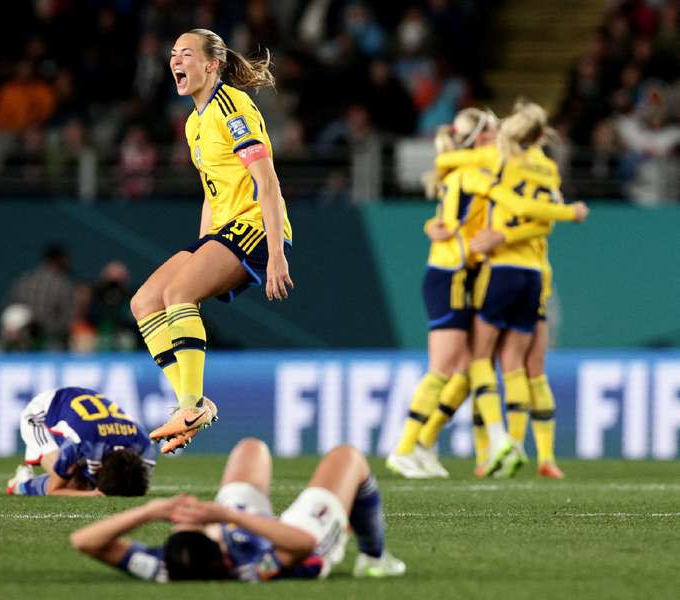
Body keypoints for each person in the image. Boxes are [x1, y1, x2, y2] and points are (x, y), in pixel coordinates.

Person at [130, 29, 293, 454]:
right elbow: (211, 189)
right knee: (145, 302)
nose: (175, 61)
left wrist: (277, 254)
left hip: (256, 226)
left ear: (211, 64)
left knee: (179, 293)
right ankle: (193, 402)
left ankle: (189, 405)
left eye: (186, 53)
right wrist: (204, 250)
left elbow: (268, 181)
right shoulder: (193, 121)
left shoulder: (232, 106)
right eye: (172, 53)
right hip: (223, 230)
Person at [69, 438, 405, 581]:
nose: (183, 520)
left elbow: (84, 541)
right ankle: (375, 559)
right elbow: (301, 543)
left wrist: (149, 511)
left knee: (250, 449)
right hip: (291, 540)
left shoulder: (164, 567)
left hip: (238, 526)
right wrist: (228, 516)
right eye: (190, 524)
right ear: (223, 554)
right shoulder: (254, 566)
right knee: (347, 458)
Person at [466, 101, 589, 478]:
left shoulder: (502, 160)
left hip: (502, 267)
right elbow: (545, 223)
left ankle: (493, 449)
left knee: (481, 359)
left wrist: (501, 235)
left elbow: (452, 167)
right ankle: (536, 453)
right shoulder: (548, 169)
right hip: (537, 273)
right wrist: (568, 212)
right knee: (525, 366)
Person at [386, 108, 499, 480]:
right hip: (449, 276)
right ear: (478, 138)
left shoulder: (464, 171)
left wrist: (433, 225)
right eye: (493, 131)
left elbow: (445, 221)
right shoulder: (472, 173)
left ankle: (425, 441)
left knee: (466, 370)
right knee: (442, 368)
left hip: (457, 275)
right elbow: (499, 193)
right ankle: (403, 448)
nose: (499, 137)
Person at [6, 387, 156, 497]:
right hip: (40, 414)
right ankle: (21, 484)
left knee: (95, 483)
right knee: (75, 484)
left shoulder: (145, 446)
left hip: (81, 410)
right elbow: (55, 490)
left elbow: (137, 486)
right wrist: (92, 494)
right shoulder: (80, 444)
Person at [7, 244, 75, 350]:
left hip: (21, 344)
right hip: (50, 344)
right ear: (59, 260)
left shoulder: (25, 281)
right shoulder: (63, 284)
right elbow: (68, 320)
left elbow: (10, 310)